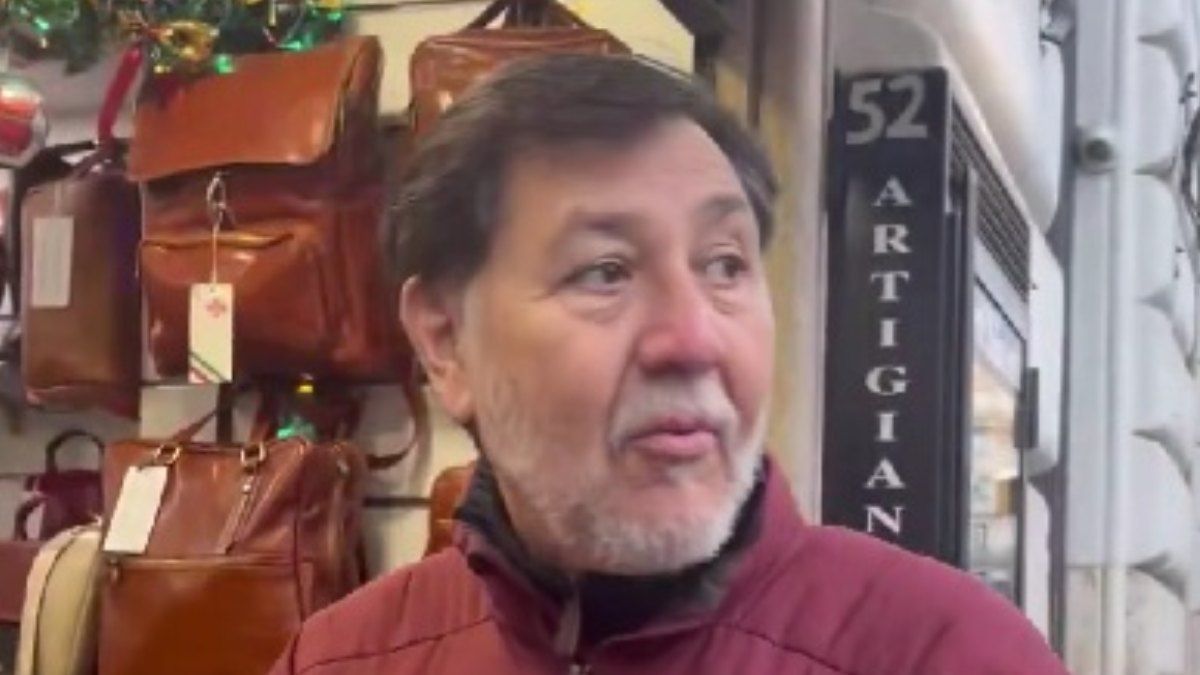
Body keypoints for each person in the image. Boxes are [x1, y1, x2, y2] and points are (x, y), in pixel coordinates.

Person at [268, 54, 1069, 674]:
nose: (692, 339)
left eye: (724, 264)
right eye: (605, 271)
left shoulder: (950, 652)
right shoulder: (340, 659)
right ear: (445, 339)